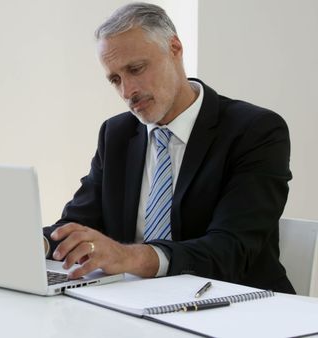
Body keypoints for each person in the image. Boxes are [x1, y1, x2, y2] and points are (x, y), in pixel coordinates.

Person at [43, 2, 294, 293]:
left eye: (135, 69)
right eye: (115, 79)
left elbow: (231, 248)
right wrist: (40, 243)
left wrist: (131, 257)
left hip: (238, 306)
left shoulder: (255, 130)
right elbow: (79, 223)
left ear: (174, 48)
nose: (127, 91)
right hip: (137, 304)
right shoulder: (117, 134)